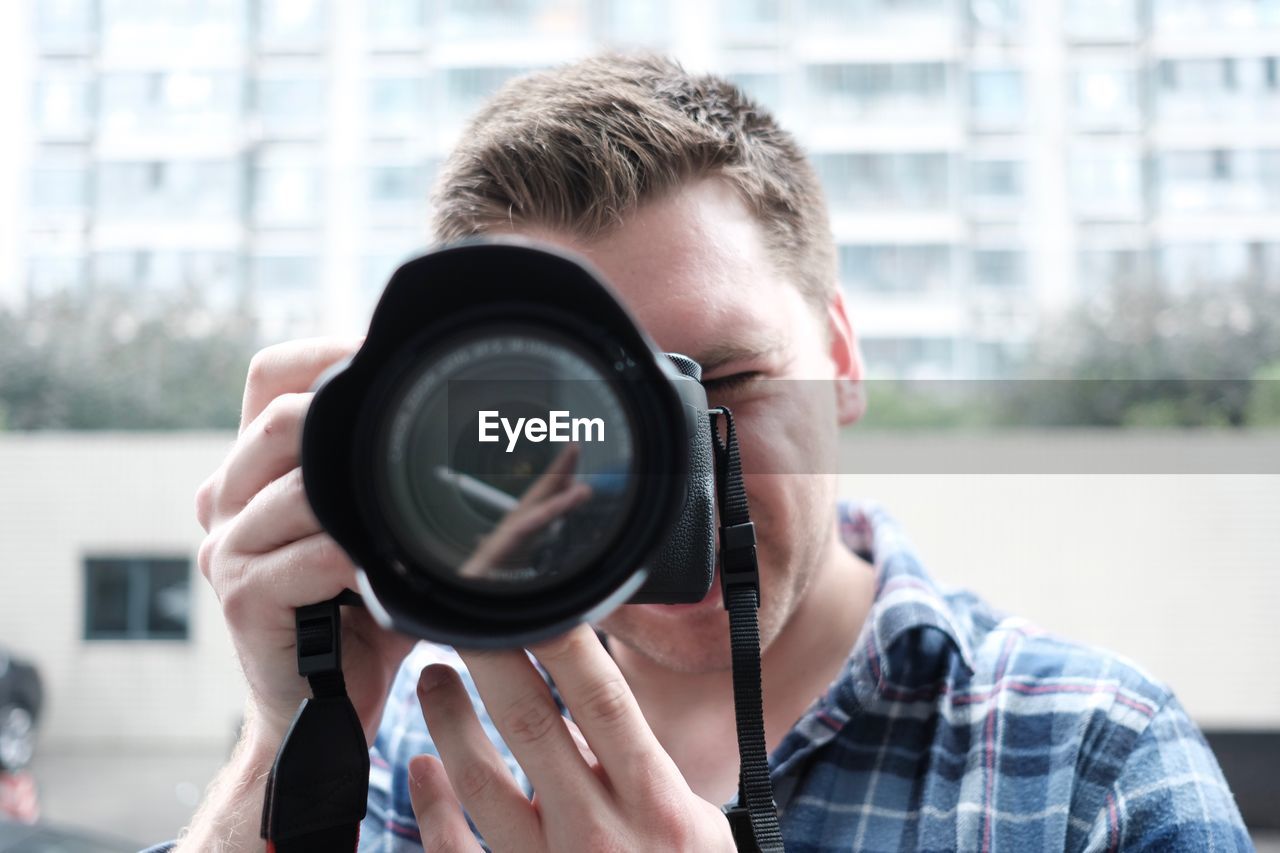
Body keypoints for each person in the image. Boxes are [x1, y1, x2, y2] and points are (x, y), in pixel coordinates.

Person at [152, 53, 1249, 852]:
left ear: (838, 355)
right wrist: (287, 737)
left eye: (718, 384)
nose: (663, 476)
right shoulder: (413, 737)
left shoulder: (1083, 764)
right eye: (573, 412)